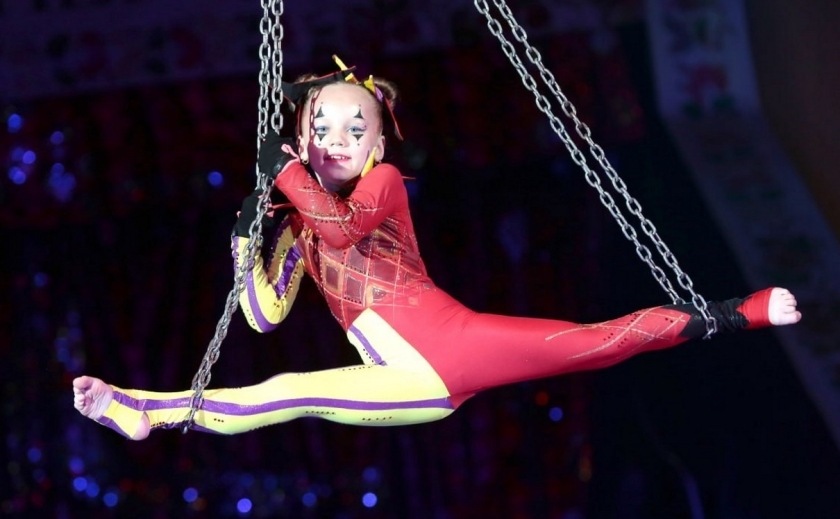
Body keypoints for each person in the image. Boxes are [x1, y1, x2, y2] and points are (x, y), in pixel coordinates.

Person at [73, 61, 801, 440]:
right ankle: (143, 411)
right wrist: (244, 244)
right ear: (300, 139)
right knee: (283, 390)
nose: (336, 142)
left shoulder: (384, 183)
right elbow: (264, 316)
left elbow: (344, 229)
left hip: (452, 347)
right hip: (399, 377)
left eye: (354, 130)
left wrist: (286, 175)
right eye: (320, 130)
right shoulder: (297, 228)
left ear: (378, 144)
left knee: (593, 342)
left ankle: (733, 313)